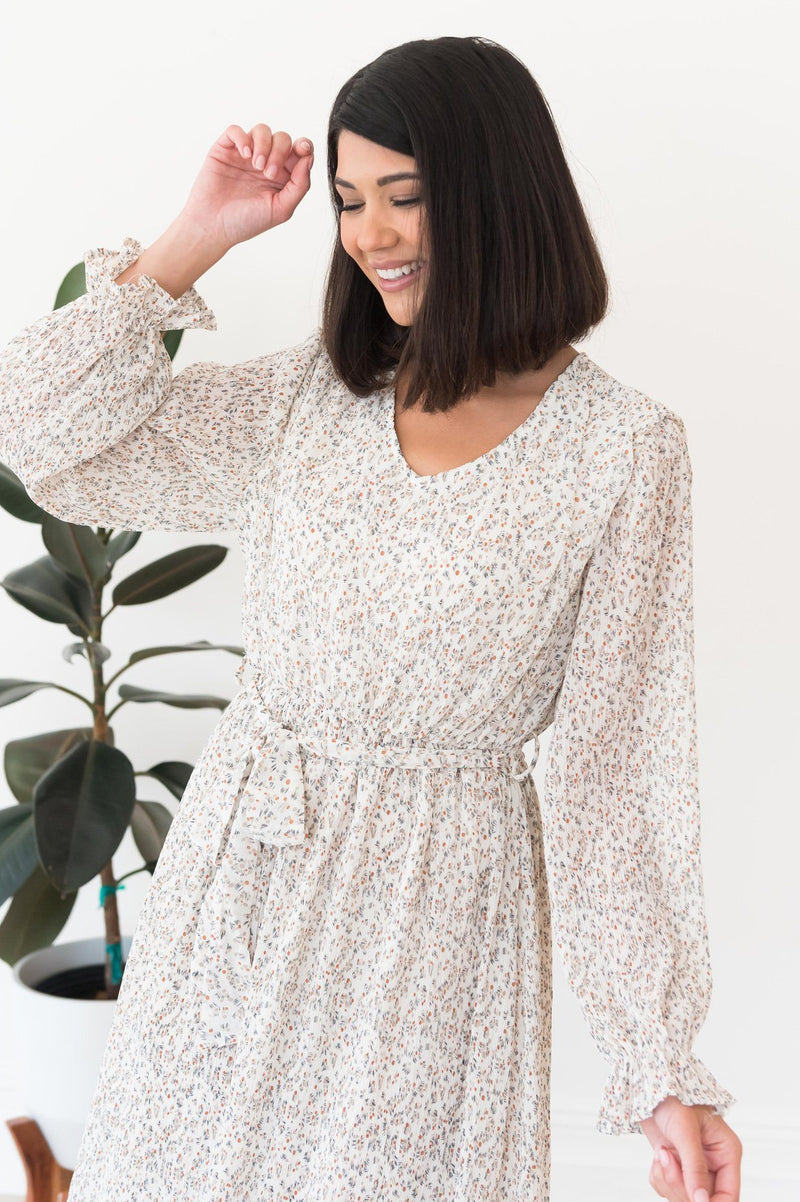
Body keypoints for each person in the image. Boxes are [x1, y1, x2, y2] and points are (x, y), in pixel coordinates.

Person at [0, 34, 741, 1202]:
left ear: (496, 196)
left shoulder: (621, 452)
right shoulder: (313, 395)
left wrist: (660, 1070)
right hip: (238, 882)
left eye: (405, 195)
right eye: (349, 201)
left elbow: (611, 774)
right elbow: (42, 436)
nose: (372, 234)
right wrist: (196, 233)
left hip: (434, 924)